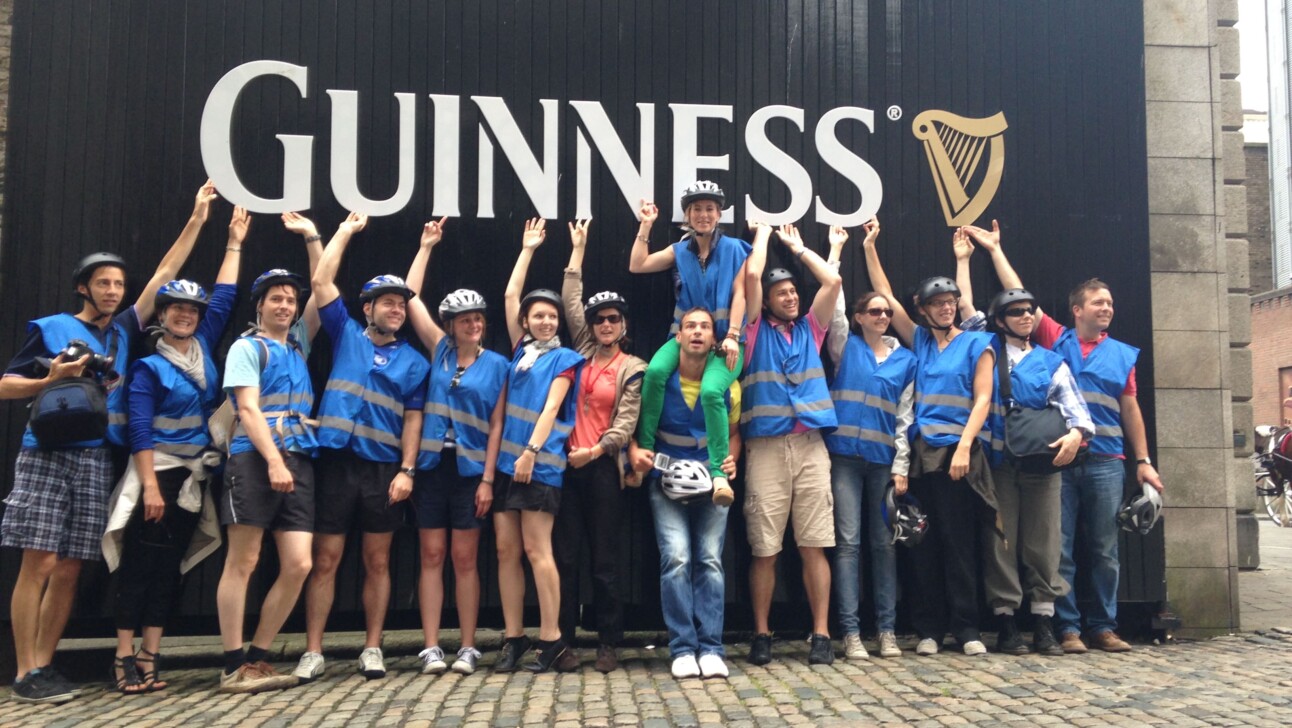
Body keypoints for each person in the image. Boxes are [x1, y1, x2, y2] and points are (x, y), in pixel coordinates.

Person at [0, 180, 216, 703]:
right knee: (41, 561)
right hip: (47, 453)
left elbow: (165, 274)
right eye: (103, 283)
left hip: (98, 458)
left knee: (72, 565)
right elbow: (6, 386)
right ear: (84, 287)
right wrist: (50, 378)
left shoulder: (122, 331)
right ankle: (26, 670)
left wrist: (198, 218)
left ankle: (46, 666)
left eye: (119, 284)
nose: (114, 291)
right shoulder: (51, 329)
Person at [960, 220, 1164, 654]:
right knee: (1032, 544)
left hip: (1085, 460)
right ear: (1077, 310)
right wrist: (985, 253)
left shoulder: (1087, 356)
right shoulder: (1027, 342)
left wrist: (1131, 455)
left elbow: (1119, 409)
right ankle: (1042, 625)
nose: (1106, 308)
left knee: (1080, 547)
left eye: (1110, 302)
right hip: (1015, 460)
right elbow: (997, 300)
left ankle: (1081, 624)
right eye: (1098, 302)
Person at [102, 206, 249, 694]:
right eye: (177, 311)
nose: (186, 316)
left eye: (192, 312)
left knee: (169, 570)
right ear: (161, 317)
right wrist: (149, 487)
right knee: (139, 567)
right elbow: (141, 431)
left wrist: (234, 243)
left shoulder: (205, 347)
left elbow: (225, 298)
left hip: (194, 476)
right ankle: (123, 655)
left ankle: (152, 653)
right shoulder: (148, 368)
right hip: (158, 475)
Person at [293, 212, 432, 682]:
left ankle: (373, 648)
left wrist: (407, 470)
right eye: (387, 303)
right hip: (334, 465)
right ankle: (313, 651)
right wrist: (344, 232)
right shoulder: (344, 332)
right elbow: (320, 278)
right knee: (325, 560)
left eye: (401, 304)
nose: (396, 309)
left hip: (382, 472)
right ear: (368, 308)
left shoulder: (414, 362)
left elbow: (414, 419)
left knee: (378, 561)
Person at [952, 227, 1094, 656]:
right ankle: (1006, 621)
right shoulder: (985, 346)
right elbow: (964, 305)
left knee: (1044, 544)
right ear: (1000, 319)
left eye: (1030, 311)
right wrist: (963, 260)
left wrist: (1075, 435)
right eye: (1015, 312)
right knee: (1002, 543)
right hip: (998, 463)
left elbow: (1079, 415)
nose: (1025, 316)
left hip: (1043, 465)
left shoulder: (1052, 361)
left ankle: (1044, 622)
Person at [863, 225, 1001, 658]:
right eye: (938, 304)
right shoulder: (921, 339)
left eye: (951, 302)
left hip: (959, 456)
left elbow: (983, 398)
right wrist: (870, 247)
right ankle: (929, 629)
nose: (946, 308)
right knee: (923, 543)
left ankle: (967, 628)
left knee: (960, 543)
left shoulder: (979, 342)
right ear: (923, 310)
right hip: (922, 457)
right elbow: (882, 290)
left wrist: (963, 448)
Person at [215, 224, 325, 693]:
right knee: (244, 559)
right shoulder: (247, 347)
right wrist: (274, 463)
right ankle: (231, 663)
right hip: (255, 458)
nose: (285, 305)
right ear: (259, 304)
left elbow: (324, 286)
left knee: (299, 563)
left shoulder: (299, 341)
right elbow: (246, 409)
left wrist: (313, 239)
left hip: (300, 455)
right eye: (275, 298)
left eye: (290, 299)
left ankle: (259, 656)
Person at [403, 218, 507, 677]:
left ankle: (467, 646)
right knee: (431, 556)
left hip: (470, 473)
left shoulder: (499, 364)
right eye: (466, 319)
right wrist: (426, 246)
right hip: (430, 467)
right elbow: (408, 300)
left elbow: (499, 424)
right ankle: (430, 646)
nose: (474, 324)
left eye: (479, 318)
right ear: (451, 325)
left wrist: (487, 479)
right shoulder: (439, 350)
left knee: (465, 559)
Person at [741, 222, 843, 666]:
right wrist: (762, 237)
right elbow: (749, 277)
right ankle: (761, 633)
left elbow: (833, 281)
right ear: (765, 300)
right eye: (780, 292)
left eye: (792, 291)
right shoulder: (749, 332)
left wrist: (799, 248)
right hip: (764, 448)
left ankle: (820, 634)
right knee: (765, 548)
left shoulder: (811, 330)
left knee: (814, 544)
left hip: (811, 447)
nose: (790, 296)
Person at [494, 218, 586, 673]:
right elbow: (510, 296)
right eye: (538, 315)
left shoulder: (566, 359)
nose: (546, 320)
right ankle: (514, 637)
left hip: (540, 465)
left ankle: (552, 638)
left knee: (537, 551)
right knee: (506, 552)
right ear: (527, 323)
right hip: (508, 466)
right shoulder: (520, 353)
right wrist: (527, 249)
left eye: (552, 316)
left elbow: (552, 408)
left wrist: (530, 453)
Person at [629, 307, 741, 680]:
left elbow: (735, 434)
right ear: (678, 336)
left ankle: (711, 647)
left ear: (714, 340)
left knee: (709, 560)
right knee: (675, 558)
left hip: (712, 484)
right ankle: (681, 648)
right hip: (666, 479)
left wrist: (731, 462)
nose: (696, 332)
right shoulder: (657, 379)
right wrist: (636, 453)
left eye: (704, 327)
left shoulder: (726, 384)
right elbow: (636, 422)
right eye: (690, 326)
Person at [556, 219, 647, 673]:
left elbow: (626, 422)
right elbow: (570, 299)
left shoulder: (633, 366)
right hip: (564, 467)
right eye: (599, 319)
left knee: (605, 561)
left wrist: (594, 451)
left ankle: (609, 642)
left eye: (613, 318)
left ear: (623, 324)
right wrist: (578, 249)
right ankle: (562, 640)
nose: (605, 324)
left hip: (601, 468)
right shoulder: (580, 351)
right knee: (566, 557)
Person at [823, 217, 916, 660]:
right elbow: (833, 303)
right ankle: (851, 634)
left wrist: (901, 466)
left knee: (883, 546)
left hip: (881, 463)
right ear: (859, 318)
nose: (881, 316)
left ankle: (887, 630)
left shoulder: (907, 362)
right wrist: (837, 251)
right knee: (848, 545)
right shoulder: (845, 346)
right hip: (843, 458)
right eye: (874, 311)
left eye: (886, 312)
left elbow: (904, 418)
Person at [630, 181, 755, 506]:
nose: (703, 214)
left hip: (726, 341)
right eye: (697, 209)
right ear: (687, 214)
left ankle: (717, 474)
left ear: (719, 213)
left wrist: (731, 336)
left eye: (709, 209)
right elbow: (637, 264)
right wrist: (646, 225)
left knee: (713, 392)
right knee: (655, 373)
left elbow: (741, 293)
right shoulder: (679, 251)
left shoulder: (736, 249)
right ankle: (644, 453)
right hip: (683, 336)